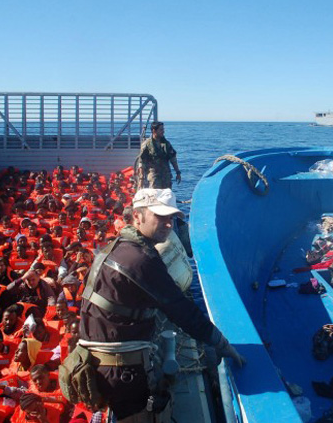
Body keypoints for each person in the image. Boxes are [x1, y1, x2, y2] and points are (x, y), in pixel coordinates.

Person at [77, 188, 244, 422]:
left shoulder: (117, 247)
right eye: (160, 217)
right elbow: (182, 311)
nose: (168, 225)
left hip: (103, 364)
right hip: (121, 371)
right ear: (137, 216)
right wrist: (223, 344)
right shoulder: (141, 260)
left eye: (170, 218)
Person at [136, 122, 181, 189]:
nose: (163, 131)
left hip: (166, 176)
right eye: (161, 130)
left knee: (166, 196)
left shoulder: (166, 143)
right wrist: (141, 179)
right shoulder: (147, 144)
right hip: (154, 177)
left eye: (163, 129)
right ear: (154, 130)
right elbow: (142, 162)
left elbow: (173, 158)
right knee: (155, 195)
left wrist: (178, 172)